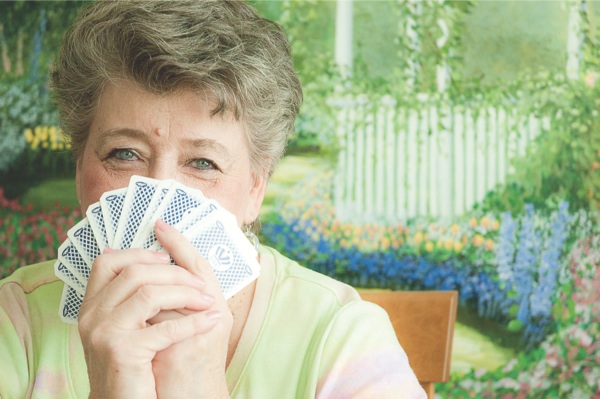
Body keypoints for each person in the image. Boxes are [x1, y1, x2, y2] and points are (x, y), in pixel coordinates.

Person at [0, 1, 426, 398]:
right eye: (125, 153)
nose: (162, 192)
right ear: (79, 169)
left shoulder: (341, 335)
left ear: (255, 189)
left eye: (203, 163)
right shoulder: (13, 324)